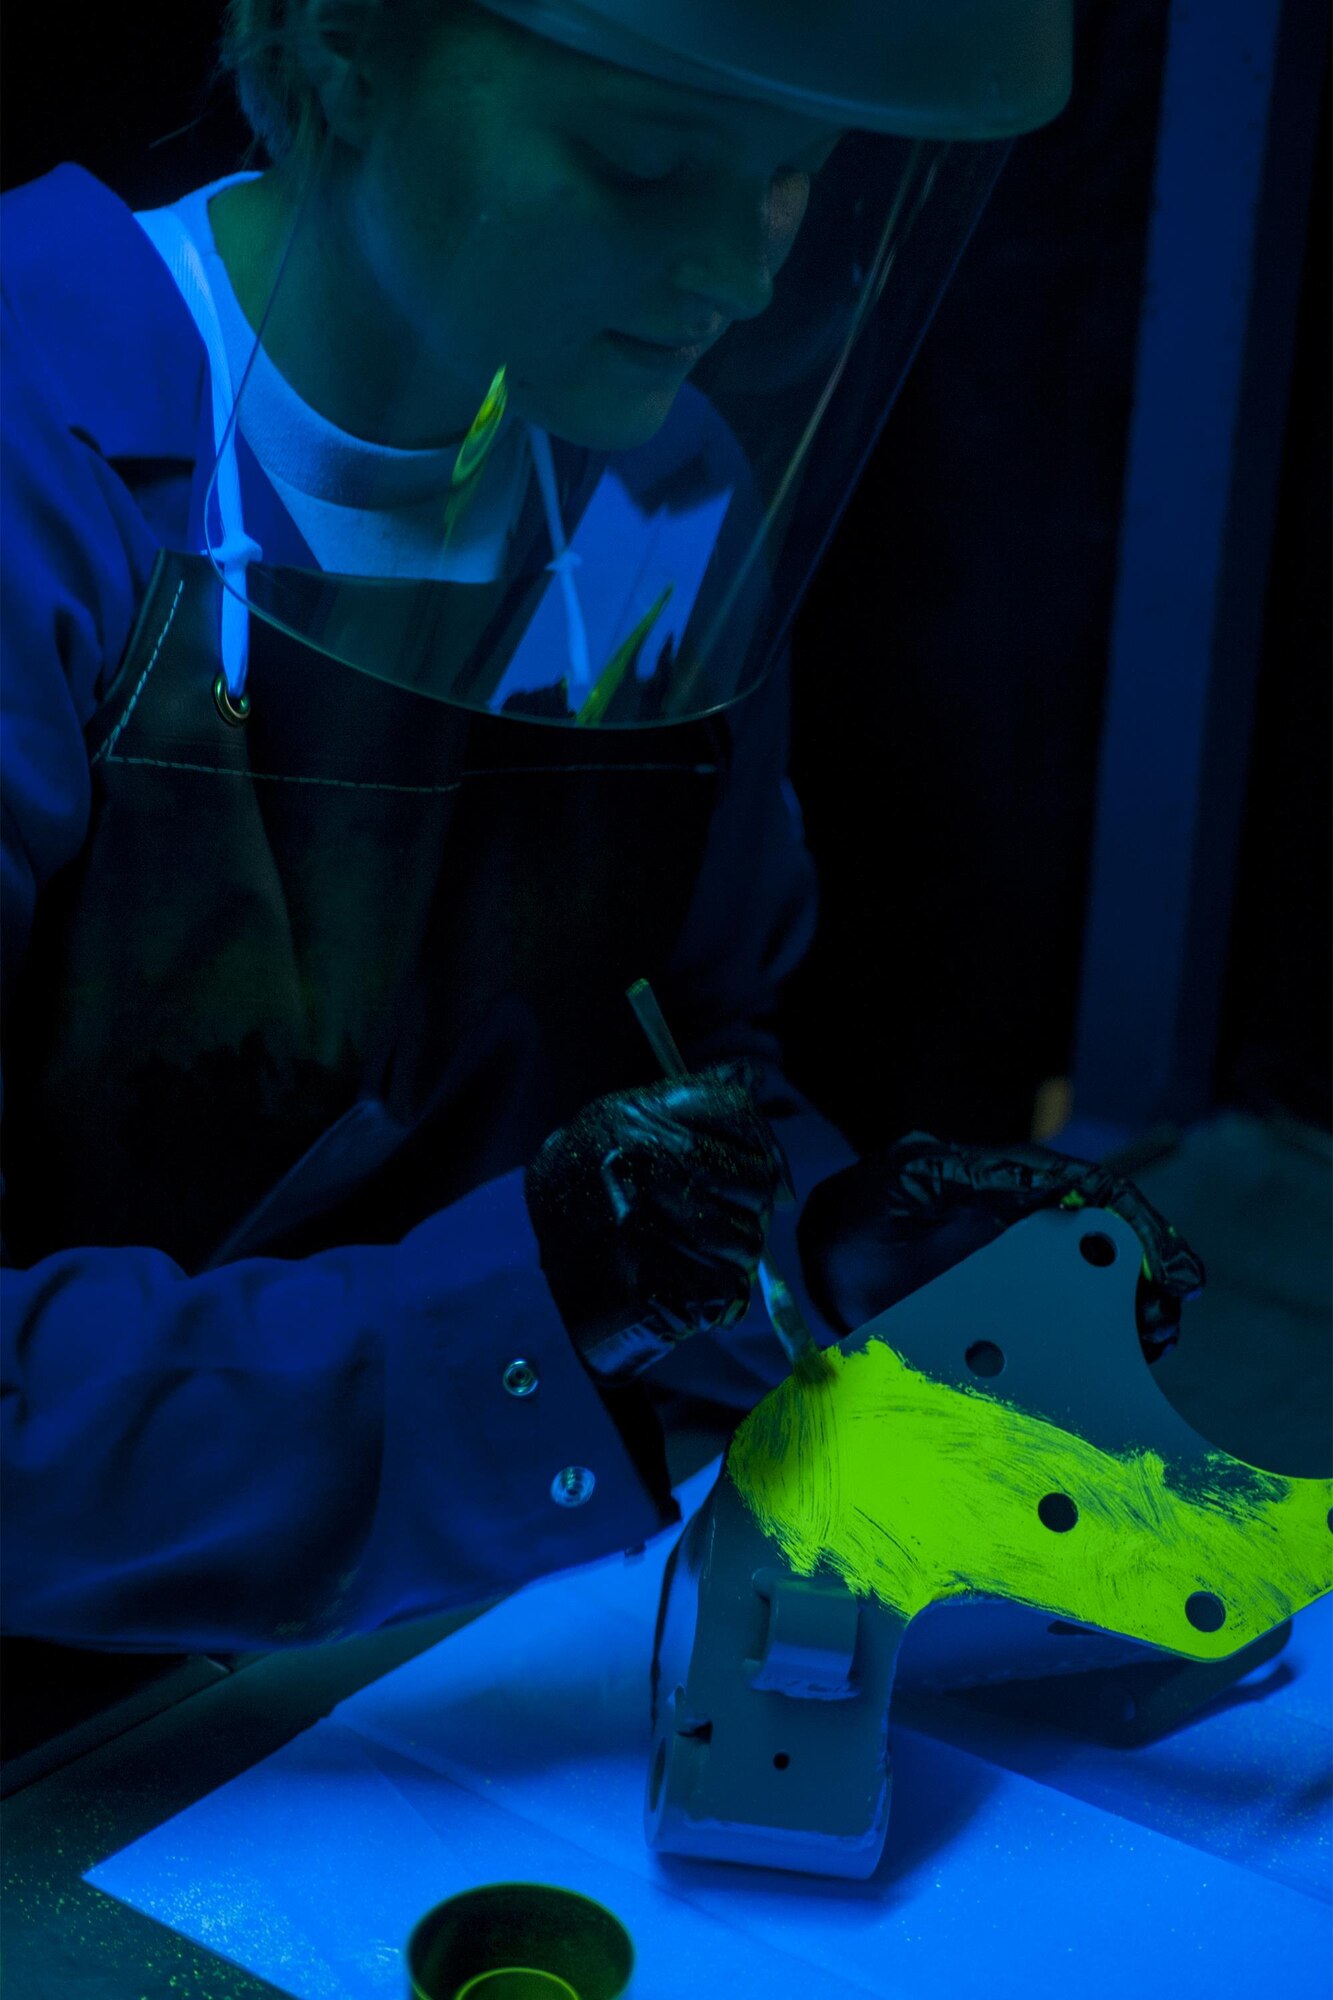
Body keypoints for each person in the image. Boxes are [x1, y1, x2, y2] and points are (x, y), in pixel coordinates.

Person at [5, 0, 1202, 1675]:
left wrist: (821, 1262)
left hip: (458, 1624)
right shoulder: (36, 463)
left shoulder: (647, 497)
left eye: (797, 177)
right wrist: (549, 1301)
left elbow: (683, 1057)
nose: (743, 272)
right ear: (345, 48)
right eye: (645, 166)